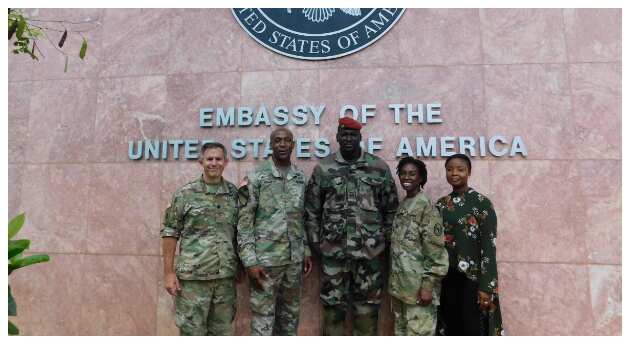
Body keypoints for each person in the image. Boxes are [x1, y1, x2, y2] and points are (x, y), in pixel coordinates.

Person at [305, 117, 399, 335]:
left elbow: (392, 210)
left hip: (369, 255)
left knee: (367, 311)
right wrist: (316, 242)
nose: (348, 139)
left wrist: (383, 241)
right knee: (332, 310)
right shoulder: (324, 168)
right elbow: (311, 210)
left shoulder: (378, 167)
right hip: (333, 254)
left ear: (360, 137)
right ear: (337, 137)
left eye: (352, 135)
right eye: (344, 135)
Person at [237, 128, 313, 335]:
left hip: (293, 262)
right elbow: (244, 223)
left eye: (286, 141)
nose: (282, 144)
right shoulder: (256, 177)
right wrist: (250, 261)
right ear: (270, 145)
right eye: (277, 140)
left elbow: (301, 218)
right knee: (263, 323)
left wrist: (305, 250)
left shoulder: (299, 178)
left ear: (293, 145)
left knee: (290, 320)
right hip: (265, 263)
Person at [161, 142, 240, 336]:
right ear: (201, 162)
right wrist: (169, 273)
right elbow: (170, 232)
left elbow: (240, 232)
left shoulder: (234, 194)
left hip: (224, 280)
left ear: (226, 162)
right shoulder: (185, 194)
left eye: (218, 159)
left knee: (222, 333)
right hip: (193, 281)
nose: (214, 163)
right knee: (192, 333)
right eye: (209, 159)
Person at [435, 153, 503, 336]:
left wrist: (487, 286)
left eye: (460, 169)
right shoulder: (441, 205)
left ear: (469, 172)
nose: (454, 173)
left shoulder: (481, 203)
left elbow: (490, 245)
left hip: (472, 280)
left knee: (472, 329)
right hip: (447, 278)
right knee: (451, 327)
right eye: (449, 169)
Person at [389, 157, 449, 336]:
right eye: (403, 173)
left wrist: (428, 286)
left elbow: (437, 253)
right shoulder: (404, 205)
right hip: (401, 288)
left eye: (412, 174)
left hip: (419, 291)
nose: (406, 177)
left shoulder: (426, 208)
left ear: (421, 178)